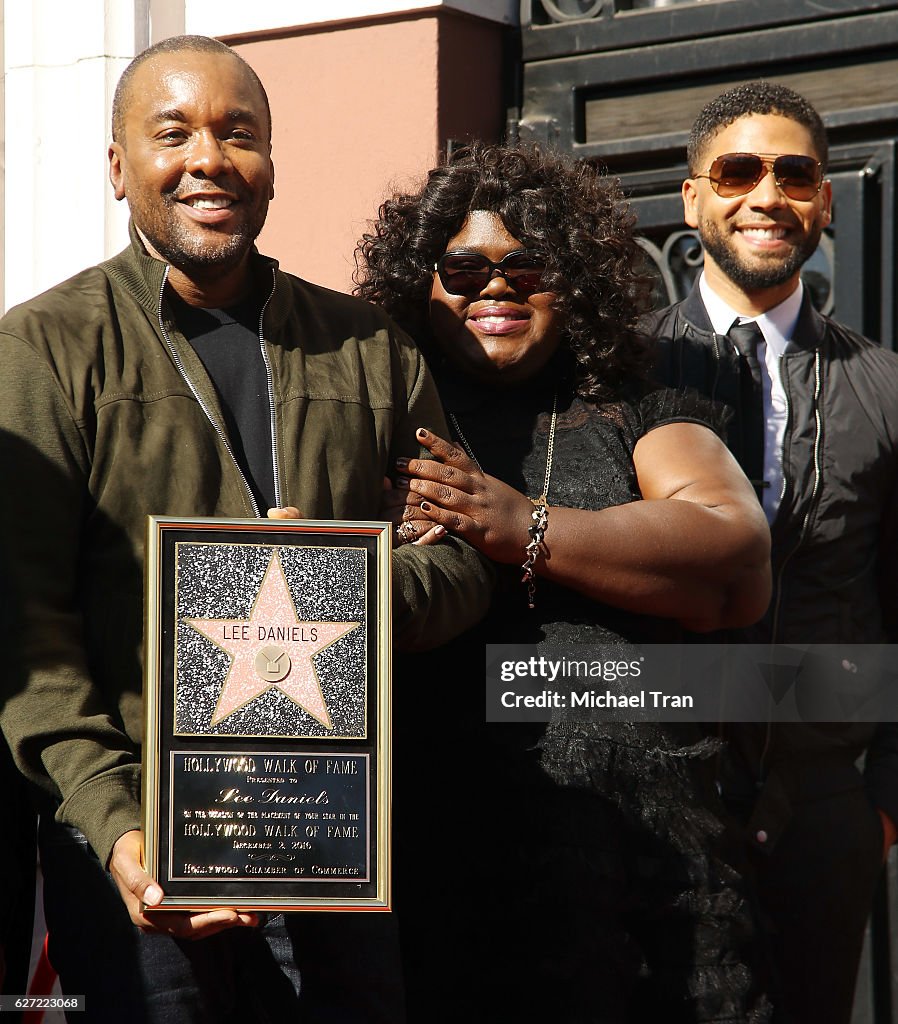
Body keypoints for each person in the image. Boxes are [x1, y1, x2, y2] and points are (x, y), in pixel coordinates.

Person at [0, 35, 492, 1023]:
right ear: (117, 167)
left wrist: (340, 586)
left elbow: (464, 565)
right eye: (172, 133)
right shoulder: (45, 348)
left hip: (332, 842)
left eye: (240, 133)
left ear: (271, 164)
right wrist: (115, 821)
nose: (209, 158)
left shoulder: (370, 351)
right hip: (139, 855)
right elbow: (27, 621)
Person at [355, 143, 773, 1023]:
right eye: (463, 269)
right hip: (433, 877)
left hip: (642, 886)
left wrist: (521, 526)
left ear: (571, 280)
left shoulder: (634, 405)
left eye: (527, 266)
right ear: (419, 282)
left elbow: (733, 554)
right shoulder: (376, 416)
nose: (495, 289)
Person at [646, 81, 898, 1024]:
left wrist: (880, 805)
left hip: (826, 806)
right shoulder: (618, 372)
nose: (767, 196)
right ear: (693, 199)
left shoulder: (884, 387)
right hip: (663, 794)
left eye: (795, 175)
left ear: (825, 201)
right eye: (738, 171)